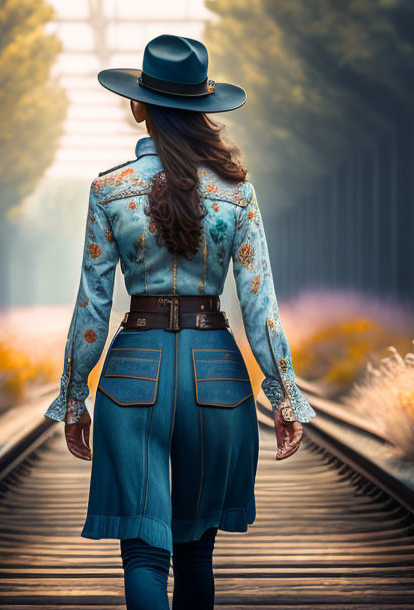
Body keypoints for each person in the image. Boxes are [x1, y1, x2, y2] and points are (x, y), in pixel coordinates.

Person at [44, 33, 316, 610]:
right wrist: (285, 396)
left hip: (133, 373)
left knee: (145, 553)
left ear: (139, 106)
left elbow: (92, 308)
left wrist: (74, 398)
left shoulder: (109, 190)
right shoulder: (237, 194)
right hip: (215, 374)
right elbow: (260, 307)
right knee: (195, 551)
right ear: (204, 107)